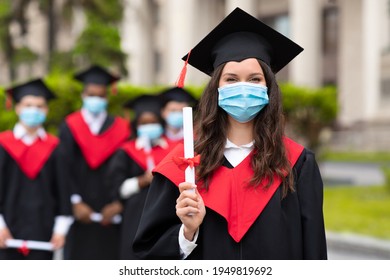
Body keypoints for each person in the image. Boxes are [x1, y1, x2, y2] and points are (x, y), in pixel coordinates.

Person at [133, 7, 327, 260]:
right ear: (216, 88)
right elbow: (147, 256)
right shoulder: (183, 165)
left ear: (269, 89)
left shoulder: (296, 163)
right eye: (232, 80)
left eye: (255, 79)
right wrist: (187, 233)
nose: (244, 88)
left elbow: (313, 252)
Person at [60, 65, 130, 259]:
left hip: (112, 212)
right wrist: (74, 202)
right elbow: (63, 169)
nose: (96, 99)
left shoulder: (121, 129)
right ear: (83, 95)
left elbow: (127, 170)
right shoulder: (69, 125)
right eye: (91, 95)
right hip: (79, 213)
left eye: (100, 95)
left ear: (107, 97)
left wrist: (119, 203)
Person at [0, 79, 73, 260]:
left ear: (46, 110)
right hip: (5, 233)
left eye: (40, 106)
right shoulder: (3, 144)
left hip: (45, 234)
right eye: (28, 105)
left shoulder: (55, 147)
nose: (34, 110)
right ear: (17, 108)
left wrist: (60, 231)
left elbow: (63, 192)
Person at [107, 94, 175, 259]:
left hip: (167, 215)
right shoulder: (126, 152)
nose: (149, 126)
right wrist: (142, 181)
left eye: (153, 122)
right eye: (143, 123)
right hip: (134, 217)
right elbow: (118, 190)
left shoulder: (174, 150)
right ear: (136, 125)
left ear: (161, 123)